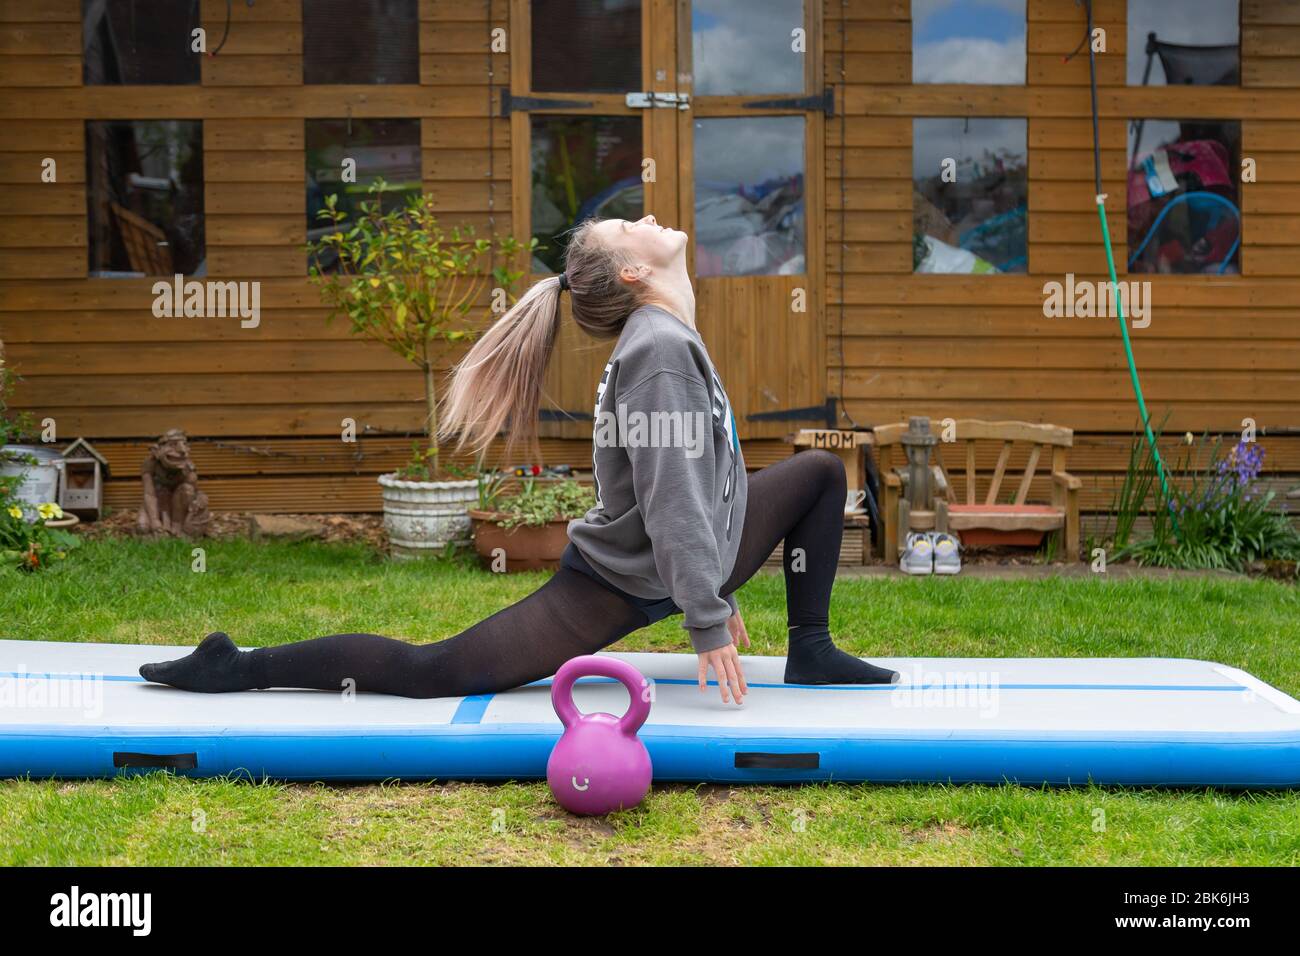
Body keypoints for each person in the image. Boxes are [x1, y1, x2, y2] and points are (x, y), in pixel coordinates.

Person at [139, 215, 898, 706]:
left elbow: (702, 472)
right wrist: (704, 612)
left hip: (674, 556)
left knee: (819, 475)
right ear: (632, 273)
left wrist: (716, 574)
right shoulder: (660, 349)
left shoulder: (665, 339)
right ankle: (239, 665)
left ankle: (813, 648)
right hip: (616, 581)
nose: (649, 217)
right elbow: (668, 496)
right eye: (630, 225)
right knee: (433, 673)